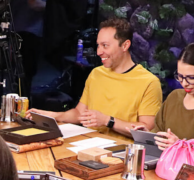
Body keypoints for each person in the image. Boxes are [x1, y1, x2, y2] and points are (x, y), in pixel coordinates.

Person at [28, 18, 162, 139]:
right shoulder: (96, 74)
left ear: (125, 45)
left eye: (105, 45)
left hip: (121, 151)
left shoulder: (149, 82)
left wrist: (108, 121)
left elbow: (145, 129)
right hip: (88, 143)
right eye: (98, 45)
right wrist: (50, 116)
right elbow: (79, 113)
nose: (98, 52)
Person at [11, 0, 47, 98]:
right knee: (24, 73)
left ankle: (22, 102)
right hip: (26, 30)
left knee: (26, 73)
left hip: (29, 29)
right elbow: (33, 2)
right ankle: (22, 104)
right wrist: (55, 8)